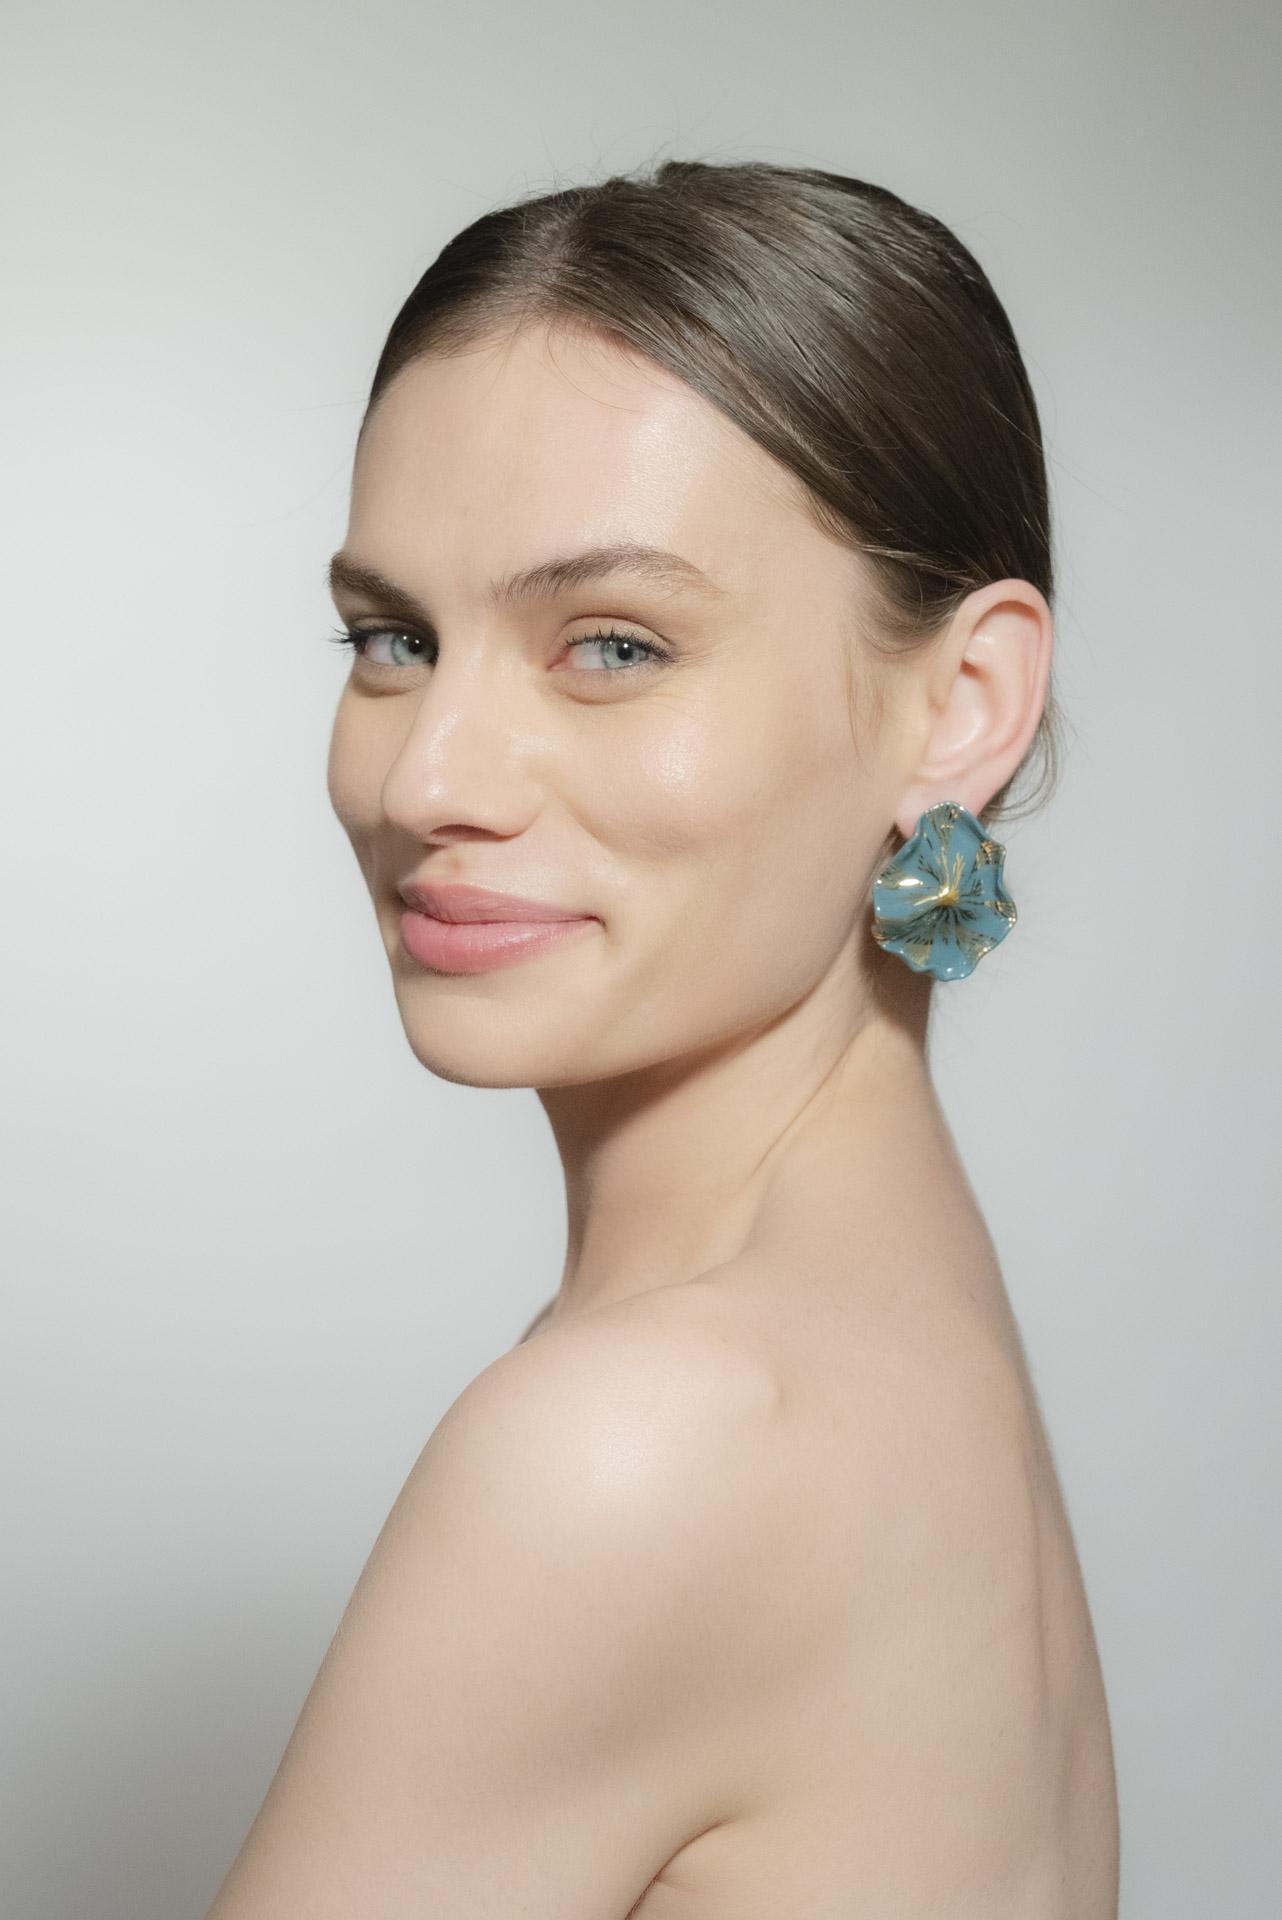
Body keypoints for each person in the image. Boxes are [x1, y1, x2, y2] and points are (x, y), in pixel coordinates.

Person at [205, 158, 1119, 1917]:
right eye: (393, 638)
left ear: (961, 703)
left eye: (610, 646)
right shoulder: (901, 1326)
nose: (427, 777)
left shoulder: (643, 1443)